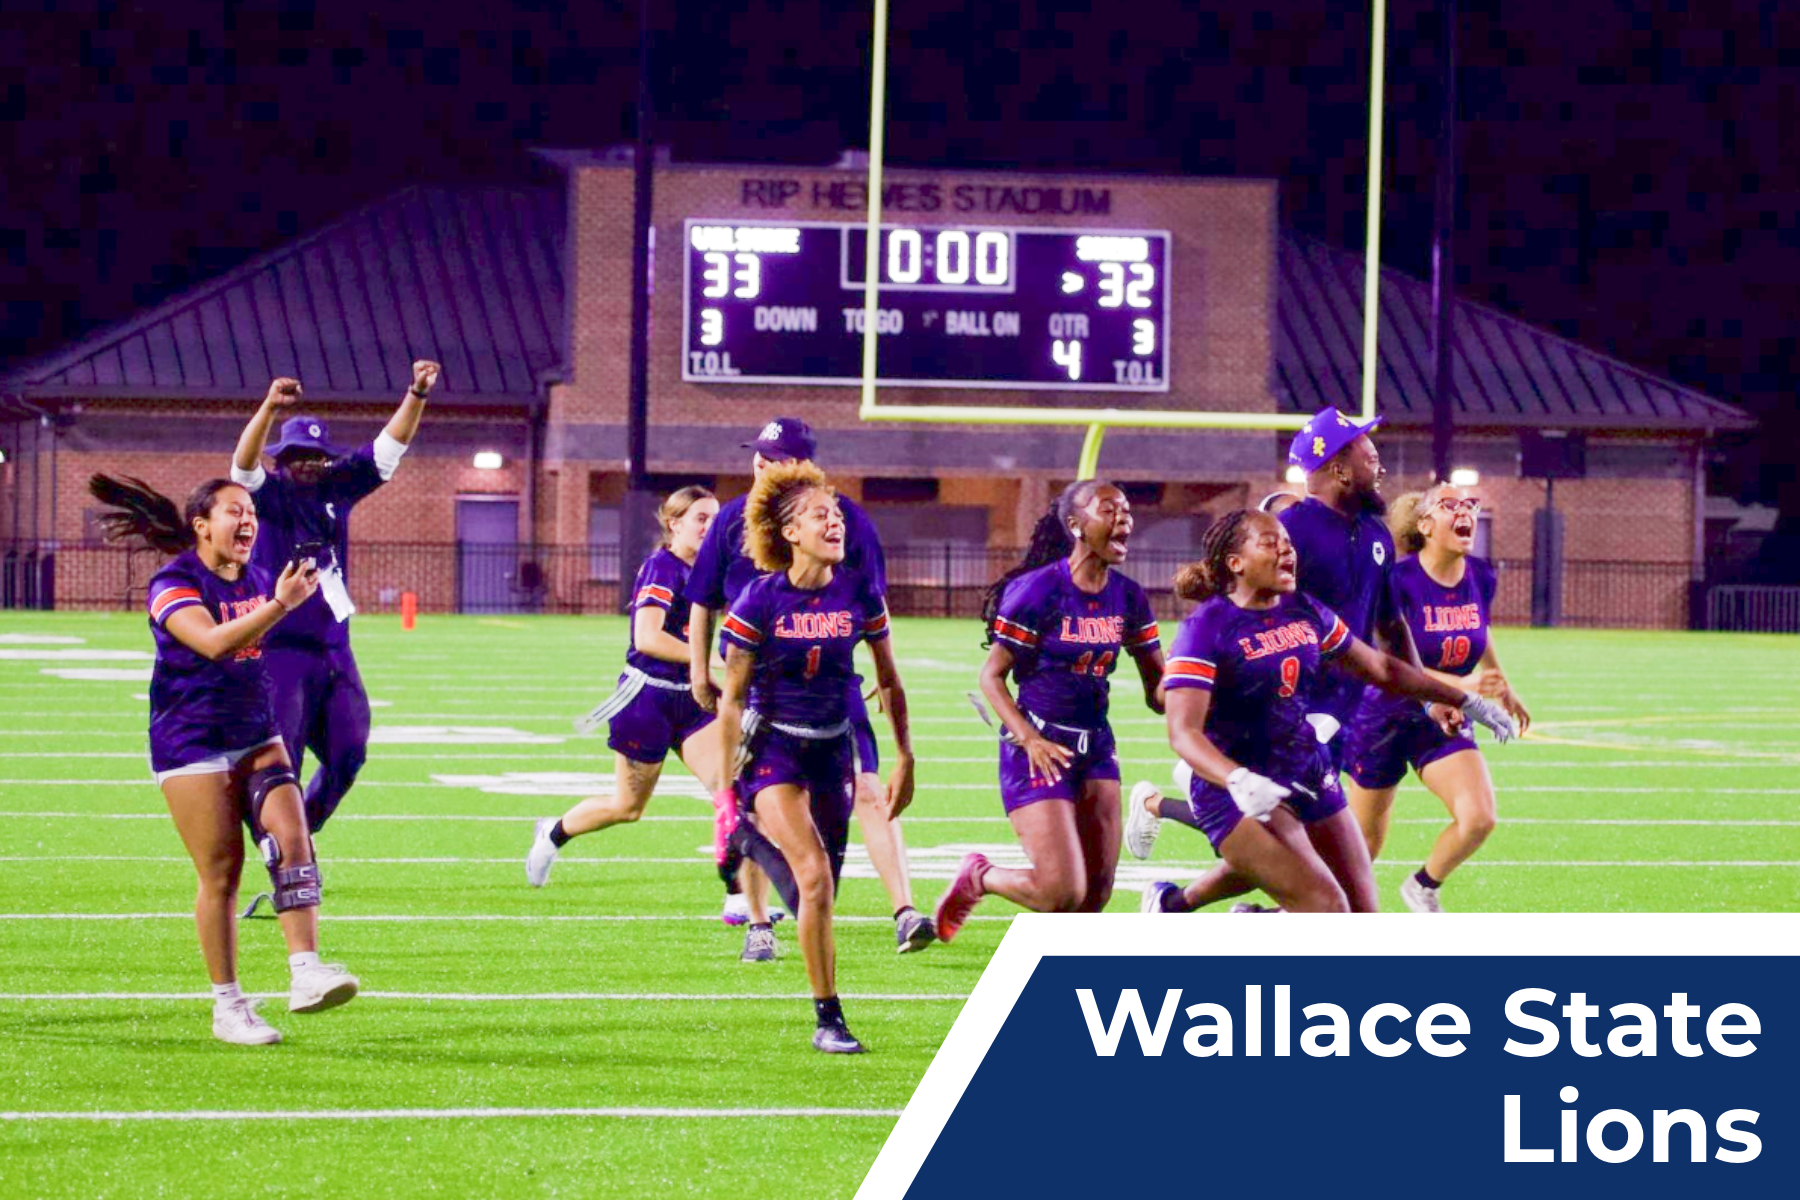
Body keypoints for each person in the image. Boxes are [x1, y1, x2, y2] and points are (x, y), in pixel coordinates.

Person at [1124, 408, 1443, 908]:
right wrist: (1194, 682)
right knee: (1293, 849)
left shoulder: (1376, 534)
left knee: (1309, 853)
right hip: (1288, 712)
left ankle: (1176, 902)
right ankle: (1178, 831)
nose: (1376, 458)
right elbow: (1234, 612)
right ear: (1337, 467)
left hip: (1341, 711)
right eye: (1365, 446)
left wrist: (1432, 697)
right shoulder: (1291, 531)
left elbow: (1388, 630)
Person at [89, 473, 361, 1045]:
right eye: (234, 511)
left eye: (251, 513)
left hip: (257, 731)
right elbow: (214, 642)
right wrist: (281, 605)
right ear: (201, 526)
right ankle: (227, 1004)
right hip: (192, 741)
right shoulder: (171, 583)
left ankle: (305, 971)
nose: (247, 521)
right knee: (222, 873)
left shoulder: (259, 575)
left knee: (294, 839)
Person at [1139, 509, 1517, 914]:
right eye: (1270, 543)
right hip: (1235, 789)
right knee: (1326, 908)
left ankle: (1205, 913)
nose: (1286, 550)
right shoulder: (1206, 627)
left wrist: (1460, 698)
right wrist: (1236, 778)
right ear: (1236, 563)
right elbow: (1182, 732)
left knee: (1362, 914)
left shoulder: (1303, 607)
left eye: (1287, 542)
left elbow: (1381, 667)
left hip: (1306, 767)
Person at [687, 416, 935, 958]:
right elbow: (702, 596)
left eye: (772, 458)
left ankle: (905, 909)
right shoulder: (734, 521)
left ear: (798, 466)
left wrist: (881, 670)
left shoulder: (846, 520)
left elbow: (872, 603)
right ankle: (758, 921)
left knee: (869, 790)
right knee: (757, 800)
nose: (760, 464)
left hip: (832, 681)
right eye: (759, 455)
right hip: (761, 683)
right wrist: (697, 668)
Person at [714, 460, 914, 1052]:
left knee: (818, 894)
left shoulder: (860, 591)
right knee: (814, 879)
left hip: (834, 749)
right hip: (775, 747)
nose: (835, 522)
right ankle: (829, 1018)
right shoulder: (757, 601)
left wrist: (905, 756)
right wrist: (725, 789)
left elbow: (890, 682)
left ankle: (750, 843)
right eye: (818, 515)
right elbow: (730, 702)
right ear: (789, 533)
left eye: (836, 513)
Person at [228, 363, 440, 885]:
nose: (308, 464)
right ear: (284, 458)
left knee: (350, 752)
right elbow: (241, 465)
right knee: (285, 763)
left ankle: (297, 837)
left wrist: (415, 392)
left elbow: (391, 446)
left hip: (333, 646)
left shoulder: (337, 485)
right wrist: (271, 408)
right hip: (280, 648)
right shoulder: (268, 495)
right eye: (298, 455)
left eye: (316, 456)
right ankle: (287, 857)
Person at [933, 480, 1164, 941]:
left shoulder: (1130, 596)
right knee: (1062, 892)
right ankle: (982, 876)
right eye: (1109, 509)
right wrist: (1028, 738)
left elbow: (1157, 690)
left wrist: (1199, 690)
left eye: (1126, 510)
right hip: (1038, 743)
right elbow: (991, 676)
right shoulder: (1037, 591)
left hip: (1096, 746)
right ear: (1076, 525)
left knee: (1095, 895)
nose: (1124, 518)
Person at [524, 487, 725, 889]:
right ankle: (553, 832)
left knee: (732, 794)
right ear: (675, 523)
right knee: (628, 807)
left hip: (692, 698)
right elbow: (647, 638)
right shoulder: (662, 567)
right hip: (646, 699)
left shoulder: (711, 568)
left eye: (715, 519)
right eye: (701, 518)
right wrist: (710, 660)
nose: (710, 526)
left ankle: (740, 900)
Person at [1344, 484, 1531, 912]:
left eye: (1469, 504)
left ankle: (1423, 885)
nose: (1463, 511)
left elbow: (1479, 629)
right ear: (1425, 525)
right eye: (1449, 505)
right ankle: (1268, 918)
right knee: (1361, 851)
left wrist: (1500, 681)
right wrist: (1462, 688)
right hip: (1382, 717)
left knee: (1479, 817)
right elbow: (1389, 662)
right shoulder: (1397, 578)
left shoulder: (1481, 575)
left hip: (1443, 715)